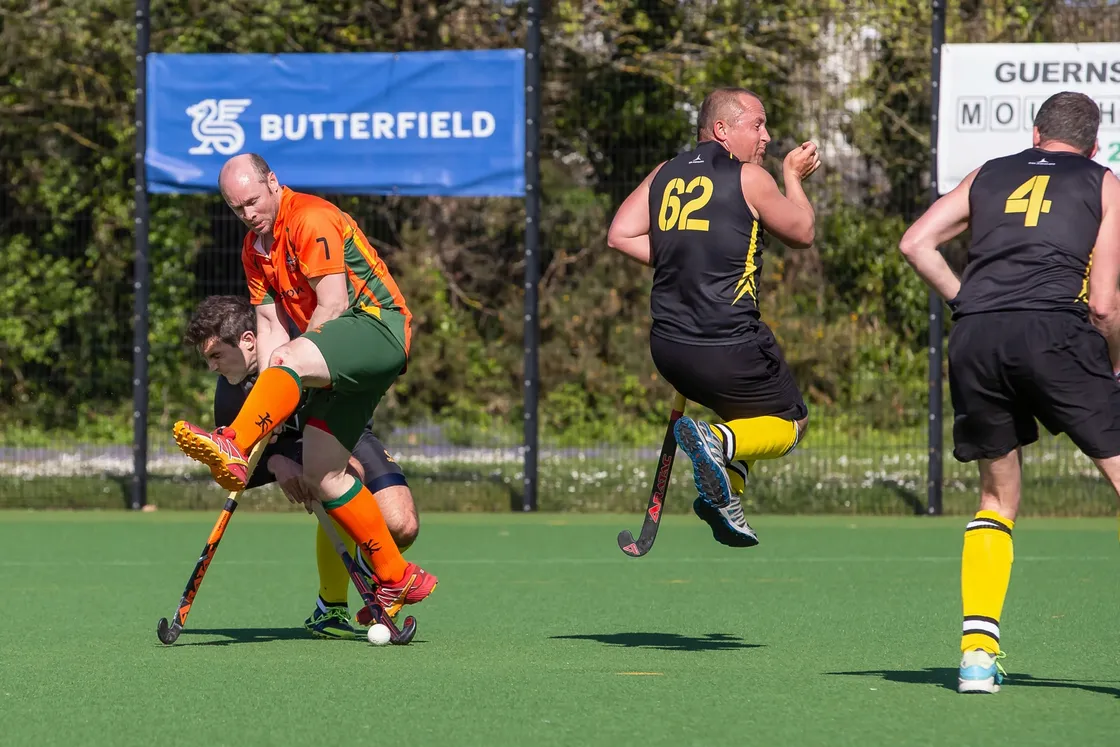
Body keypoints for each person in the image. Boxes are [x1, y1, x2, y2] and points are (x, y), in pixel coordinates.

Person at [899, 91, 1120, 694]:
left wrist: (967, 303)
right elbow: (1103, 304)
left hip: (977, 339)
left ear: (1034, 133)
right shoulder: (1105, 182)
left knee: (997, 500)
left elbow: (915, 243)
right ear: (1093, 145)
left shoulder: (988, 174)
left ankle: (975, 660)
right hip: (1055, 330)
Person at [172, 153, 436, 618]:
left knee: (291, 357)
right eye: (237, 209)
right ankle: (396, 577)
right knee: (324, 473)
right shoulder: (255, 249)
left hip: (376, 327)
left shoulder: (309, 217)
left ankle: (232, 442)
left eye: (252, 201)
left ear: (272, 181)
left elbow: (333, 306)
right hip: (339, 353)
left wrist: (291, 370)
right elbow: (271, 328)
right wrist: (275, 384)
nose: (248, 214)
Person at [607, 87, 821, 548]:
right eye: (756, 125)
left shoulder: (664, 172)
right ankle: (716, 446)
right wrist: (793, 177)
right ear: (722, 130)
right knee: (790, 422)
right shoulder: (749, 178)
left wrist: (681, 258)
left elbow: (620, 235)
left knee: (746, 420)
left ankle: (724, 498)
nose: (765, 136)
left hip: (668, 348)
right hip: (728, 345)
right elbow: (803, 232)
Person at [184, 294, 419, 639]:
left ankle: (374, 571)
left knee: (403, 526)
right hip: (301, 453)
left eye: (216, 356)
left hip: (348, 431)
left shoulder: (300, 346)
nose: (213, 368)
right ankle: (331, 607)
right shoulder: (230, 397)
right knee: (340, 474)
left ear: (249, 341)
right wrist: (279, 462)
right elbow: (240, 468)